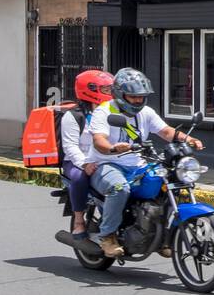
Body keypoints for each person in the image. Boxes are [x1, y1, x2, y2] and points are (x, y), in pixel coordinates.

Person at [85, 67, 203, 258]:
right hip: (106, 165)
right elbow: (99, 141)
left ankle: (162, 236)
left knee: (167, 181)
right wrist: (113, 148)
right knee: (119, 188)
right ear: (120, 94)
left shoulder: (146, 112)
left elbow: (165, 131)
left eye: (141, 96)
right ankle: (107, 236)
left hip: (137, 164)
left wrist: (187, 139)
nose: (138, 100)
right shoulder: (104, 112)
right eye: (133, 96)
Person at [61, 69, 114, 240]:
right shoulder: (74, 116)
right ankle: (78, 221)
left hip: (105, 158)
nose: (111, 94)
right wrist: (85, 164)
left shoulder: (112, 112)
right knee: (79, 178)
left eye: (111, 89)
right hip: (77, 162)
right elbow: (70, 146)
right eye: (106, 90)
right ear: (90, 90)